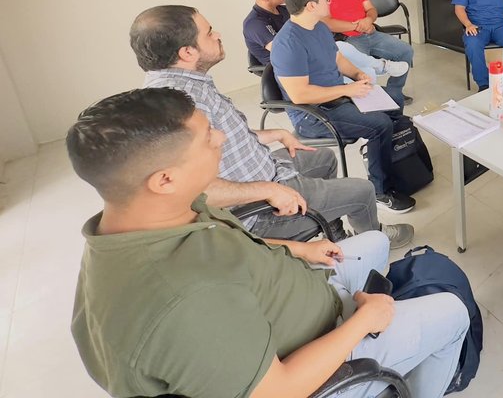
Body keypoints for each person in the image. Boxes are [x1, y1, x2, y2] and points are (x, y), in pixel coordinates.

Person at [69, 88, 469, 398]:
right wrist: (364, 321)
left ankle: (395, 342)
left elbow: (232, 241)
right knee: (454, 313)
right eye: (207, 138)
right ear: (164, 179)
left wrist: (298, 249)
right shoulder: (186, 296)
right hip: (309, 362)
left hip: (295, 295)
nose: (221, 137)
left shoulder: (159, 211)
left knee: (376, 242)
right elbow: (278, 390)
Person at [131, 4, 413, 248]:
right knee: (362, 191)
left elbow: (222, 137)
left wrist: (274, 133)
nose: (217, 34)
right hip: (258, 213)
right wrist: (268, 191)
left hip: (264, 170)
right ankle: (373, 242)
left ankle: (335, 235)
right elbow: (193, 192)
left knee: (324, 158)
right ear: (187, 52)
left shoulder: (191, 85)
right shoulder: (177, 105)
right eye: (209, 32)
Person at [270, 0, 416, 214]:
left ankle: (384, 161)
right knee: (380, 124)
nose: (329, 0)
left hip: (337, 97)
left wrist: (357, 74)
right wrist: (348, 90)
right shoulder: (287, 43)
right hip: (312, 115)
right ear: (311, 5)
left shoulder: (318, 27)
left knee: (395, 103)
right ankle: (379, 191)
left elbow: (337, 59)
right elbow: (299, 94)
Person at [243, 0, 408, 83]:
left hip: (309, 57)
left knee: (349, 56)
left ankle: (378, 69)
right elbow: (288, 51)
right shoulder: (255, 24)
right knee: (351, 63)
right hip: (292, 70)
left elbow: (312, 31)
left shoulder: (284, 10)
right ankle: (379, 68)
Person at [321, 0, 415, 105]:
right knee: (364, 70)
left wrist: (369, 20)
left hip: (371, 33)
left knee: (405, 51)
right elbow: (328, 23)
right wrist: (358, 25)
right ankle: (367, 101)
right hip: (347, 39)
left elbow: (371, 9)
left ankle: (394, 92)